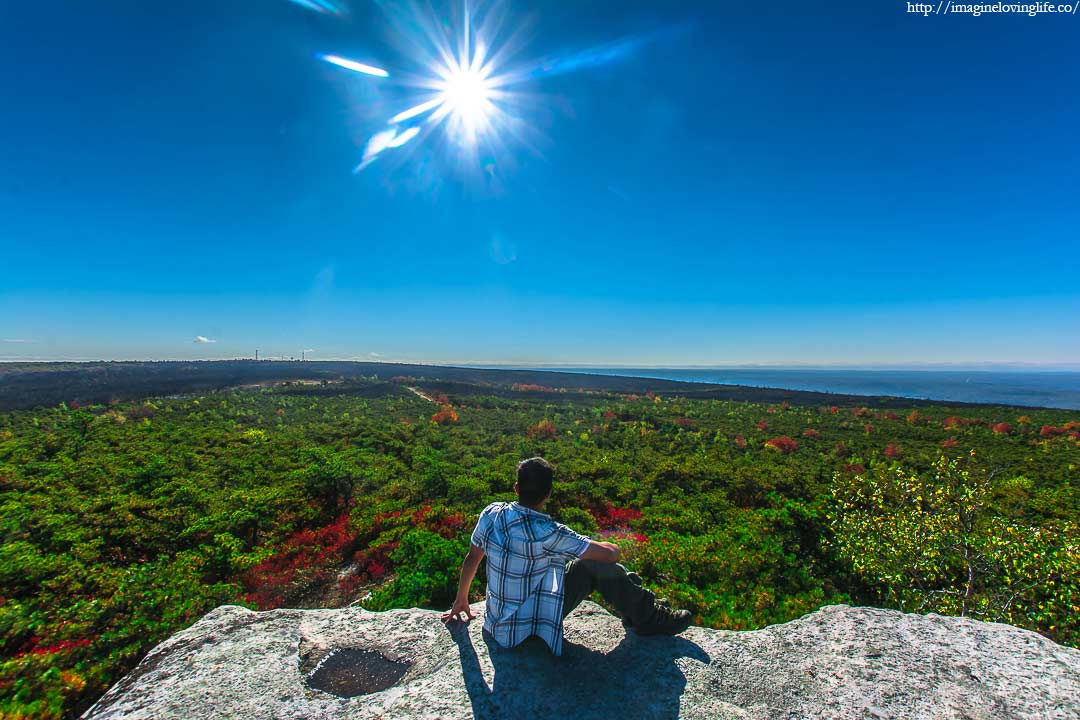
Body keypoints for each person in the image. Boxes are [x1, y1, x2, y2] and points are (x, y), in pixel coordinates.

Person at [441, 456, 692, 655]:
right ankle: (649, 617)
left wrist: (461, 599)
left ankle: (639, 606)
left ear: (516, 488)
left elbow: (473, 557)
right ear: (548, 494)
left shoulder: (492, 513)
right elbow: (610, 555)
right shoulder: (549, 532)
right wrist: (608, 543)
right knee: (593, 566)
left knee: (578, 563)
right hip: (533, 627)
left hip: (497, 626)